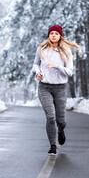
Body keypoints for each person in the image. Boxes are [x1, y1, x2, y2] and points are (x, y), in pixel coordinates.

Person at [33, 25, 80, 155]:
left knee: (61, 120)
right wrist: (38, 73)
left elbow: (70, 72)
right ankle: (53, 145)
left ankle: (60, 130)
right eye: (51, 33)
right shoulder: (42, 49)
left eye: (56, 33)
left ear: (60, 36)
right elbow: (36, 63)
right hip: (44, 87)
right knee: (50, 117)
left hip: (60, 88)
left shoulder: (66, 52)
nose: (53, 35)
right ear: (49, 35)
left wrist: (57, 66)